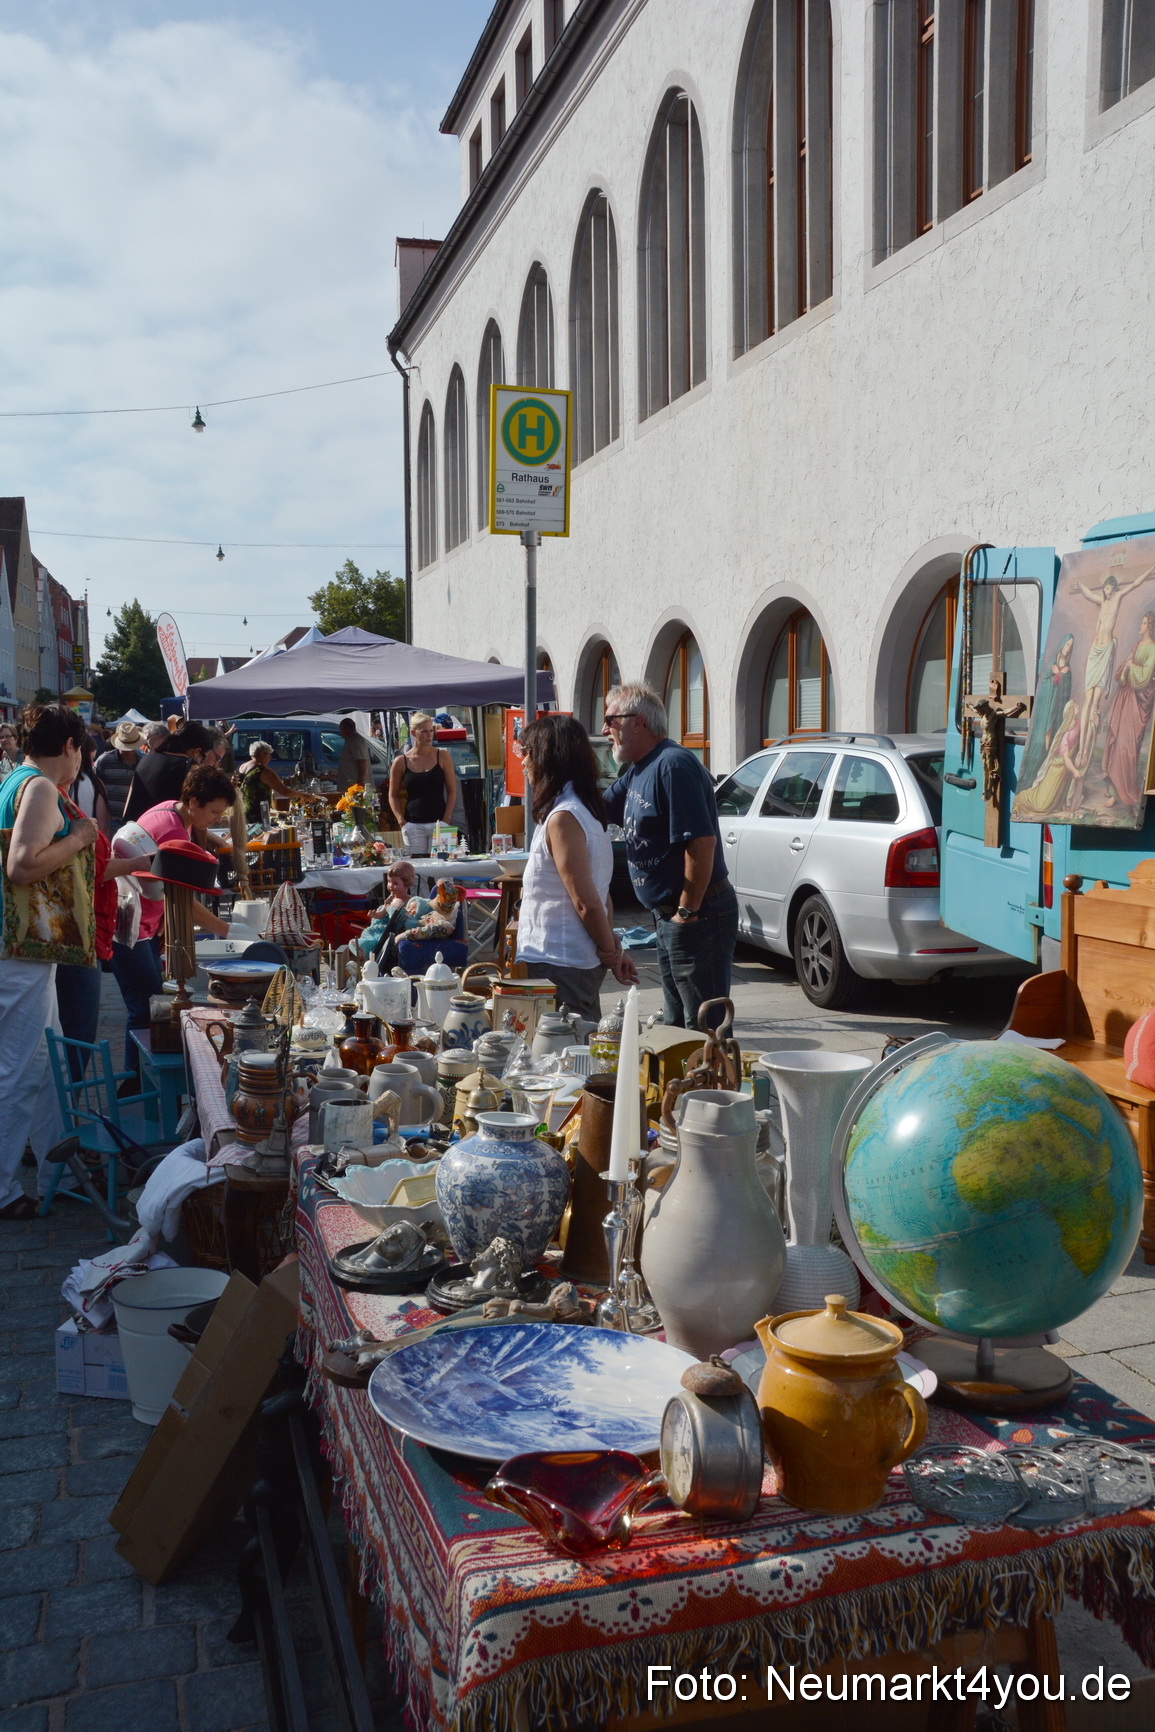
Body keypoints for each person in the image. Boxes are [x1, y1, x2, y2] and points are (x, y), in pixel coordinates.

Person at [0, 704, 99, 1218]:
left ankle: (59, 1170)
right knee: (21, 1071)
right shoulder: (38, 787)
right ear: (69, 747)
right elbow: (21, 866)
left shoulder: (15, 779)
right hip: (21, 950)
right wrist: (79, 838)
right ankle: (2, 1190)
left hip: (23, 948)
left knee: (49, 1064)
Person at [601, 681, 738, 1029]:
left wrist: (686, 912)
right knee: (676, 1023)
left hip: (698, 914)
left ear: (638, 722)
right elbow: (597, 808)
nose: (605, 730)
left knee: (705, 1025)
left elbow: (701, 843)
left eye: (610, 720)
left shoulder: (673, 765)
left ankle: (715, 1068)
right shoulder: (637, 770)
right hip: (668, 916)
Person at [110, 764, 233, 1074]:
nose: (217, 820)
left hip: (142, 923)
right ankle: (137, 1081)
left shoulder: (172, 811)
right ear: (194, 802)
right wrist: (228, 930)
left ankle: (138, 1080)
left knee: (148, 1003)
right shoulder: (174, 830)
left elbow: (167, 888)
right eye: (214, 812)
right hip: (129, 925)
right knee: (145, 1009)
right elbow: (182, 898)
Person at [516, 714, 636, 1021]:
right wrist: (612, 947)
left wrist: (612, 952)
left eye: (526, 752)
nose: (522, 761)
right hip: (567, 961)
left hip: (559, 961)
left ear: (546, 756)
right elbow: (600, 894)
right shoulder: (581, 810)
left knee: (564, 1046)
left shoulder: (565, 817)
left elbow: (587, 902)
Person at [1102, 613, 1155, 809]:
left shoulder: (1153, 649)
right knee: (1116, 742)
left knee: (1126, 746)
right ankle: (1113, 788)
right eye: (1141, 622)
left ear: (1150, 626)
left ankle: (1122, 789)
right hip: (1125, 699)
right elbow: (1122, 671)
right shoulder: (1136, 645)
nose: (1140, 626)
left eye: (1144, 623)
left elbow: (1144, 678)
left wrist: (1131, 667)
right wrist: (1127, 667)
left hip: (1137, 704)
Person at [387, 712, 457, 854]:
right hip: (413, 823)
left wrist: (447, 819)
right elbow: (392, 795)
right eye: (424, 731)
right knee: (416, 865)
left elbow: (452, 791)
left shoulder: (442, 755)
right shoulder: (401, 761)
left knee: (444, 865)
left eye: (431, 730)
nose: (429, 735)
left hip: (440, 821)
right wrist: (401, 821)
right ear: (413, 733)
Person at [121, 720, 214, 821]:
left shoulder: (145, 759)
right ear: (197, 751)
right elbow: (194, 816)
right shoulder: (189, 766)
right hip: (160, 828)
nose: (202, 762)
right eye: (203, 758)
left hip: (132, 827)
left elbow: (129, 801)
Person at [237, 741, 319, 823]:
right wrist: (304, 795)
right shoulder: (263, 771)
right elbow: (284, 791)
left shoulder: (242, 767)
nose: (269, 759)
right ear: (262, 754)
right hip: (256, 817)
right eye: (269, 755)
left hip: (241, 813)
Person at [95, 722, 143, 825]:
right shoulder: (104, 761)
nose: (128, 751)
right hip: (109, 820)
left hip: (135, 821)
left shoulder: (144, 762)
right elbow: (96, 789)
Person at [336, 716, 372, 794]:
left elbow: (362, 761)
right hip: (349, 785)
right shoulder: (350, 740)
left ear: (345, 728)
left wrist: (359, 782)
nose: (340, 731)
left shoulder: (355, 740)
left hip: (355, 785)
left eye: (341, 729)